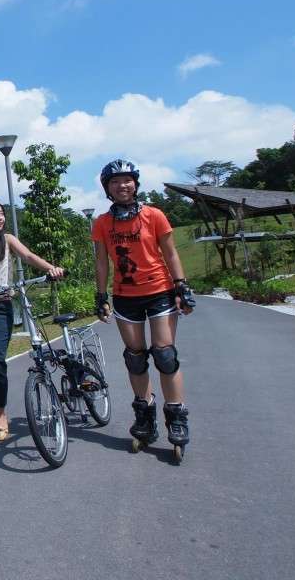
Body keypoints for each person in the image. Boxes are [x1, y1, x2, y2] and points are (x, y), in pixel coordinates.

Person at [91, 160, 196, 452]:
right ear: (107, 188)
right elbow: (101, 261)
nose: (122, 186)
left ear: (135, 184)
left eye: (127, 180)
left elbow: (170, 253)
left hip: (159, 290)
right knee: (135, 357)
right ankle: (145, 415)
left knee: (164, 353)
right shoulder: (101, 223)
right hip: (125, 295)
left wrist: (181, 286)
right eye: (114, 182)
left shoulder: (154, 215)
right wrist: (101, 296)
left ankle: (176, 415)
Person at [0, 198, 64, 442]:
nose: (0, 217)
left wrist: (52, 268)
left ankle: (3, 415)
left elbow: (28, 256)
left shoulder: (7, 241)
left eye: (1, 213)